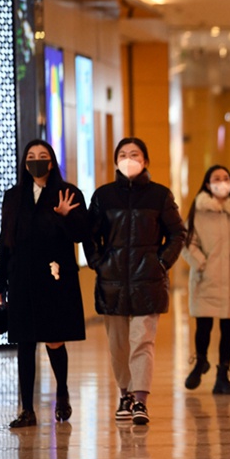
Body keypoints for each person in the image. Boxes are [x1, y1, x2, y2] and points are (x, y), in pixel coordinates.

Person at [84, 137, 186, 425]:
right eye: (124, 154)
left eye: (135, 154)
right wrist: (97, 263)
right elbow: (90, 235)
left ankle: (140, 400)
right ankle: (125, 393)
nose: (129, 158)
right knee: (118, 344)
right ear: (116, 160)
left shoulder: (159, 195)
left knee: (142, 342)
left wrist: (162, 262)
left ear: (146, 161)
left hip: (147, 281)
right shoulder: (104, 196)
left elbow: (178, 233)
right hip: (112, 281)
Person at [0, 139, 88, 428]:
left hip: (54, 277)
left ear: (51, 161)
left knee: (54, 338)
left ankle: (62, 392)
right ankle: (27, 410)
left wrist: (64, 217)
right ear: (24, 162)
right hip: (21, 276)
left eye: (42, 156)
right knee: (25, 342)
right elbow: (5, 242)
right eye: (31, 156)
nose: (36, 160)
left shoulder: (68, 193)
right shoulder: (13, 196)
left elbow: (81, 233)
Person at [181, 165, 230, 395]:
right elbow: (186, 241)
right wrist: (202, 263)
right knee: (204, 325)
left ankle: (223, 375)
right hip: (205, 278)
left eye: (226, 178)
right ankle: (200, 362)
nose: (222, 182)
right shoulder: (199, 211)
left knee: (228, 327)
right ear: (207, 184)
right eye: (216, 178)